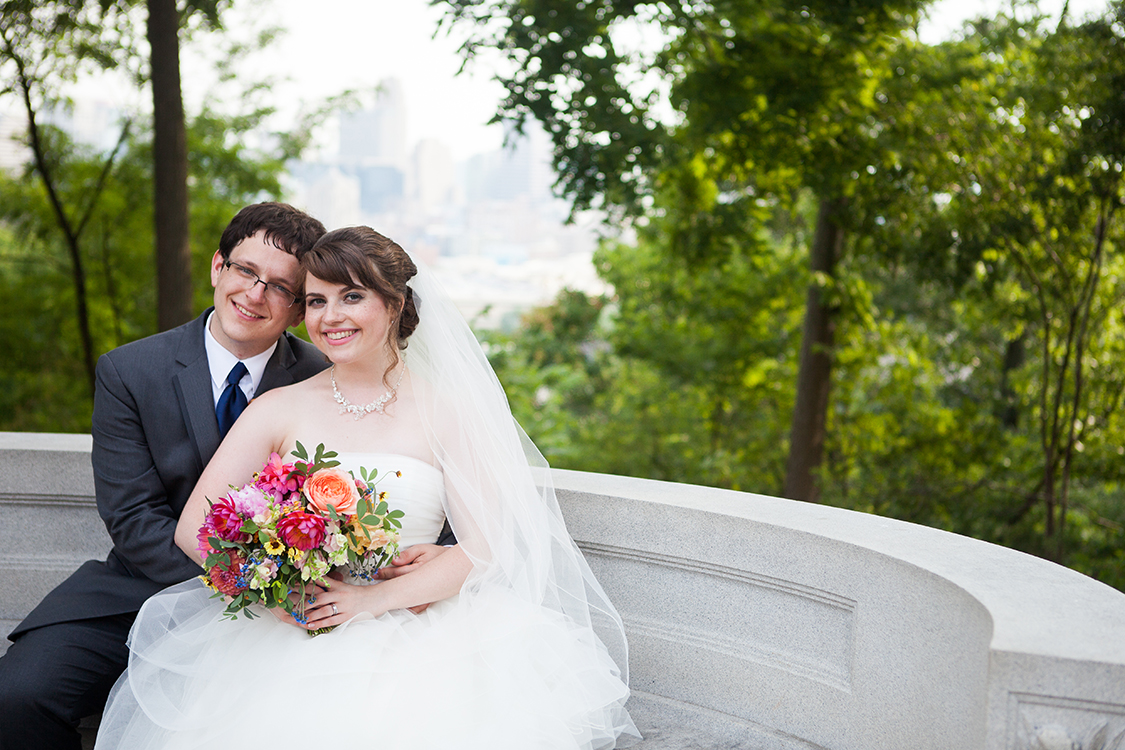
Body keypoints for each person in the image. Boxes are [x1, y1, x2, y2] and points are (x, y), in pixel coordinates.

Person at [93, 226, 639, 749]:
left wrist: (372, 601)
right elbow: (196, 530)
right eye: (314, 301)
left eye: (351, 297)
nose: (330, 317)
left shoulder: (447, 413)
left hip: (424, 631)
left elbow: (485, 547)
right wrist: (274, 593)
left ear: (395, 304)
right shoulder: (277, 407)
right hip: (290, 632)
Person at [0, 203, 450, 750]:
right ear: (218, 267)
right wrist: (258, 587)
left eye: (283, 288)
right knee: (17, 697)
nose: (256, 295)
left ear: (296, 304)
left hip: (312, 600)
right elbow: (135, 519)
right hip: (148, 590)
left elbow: (400, 475)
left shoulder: (333, 368)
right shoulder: (131, 370)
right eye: (245, 271)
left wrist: (438, 552)